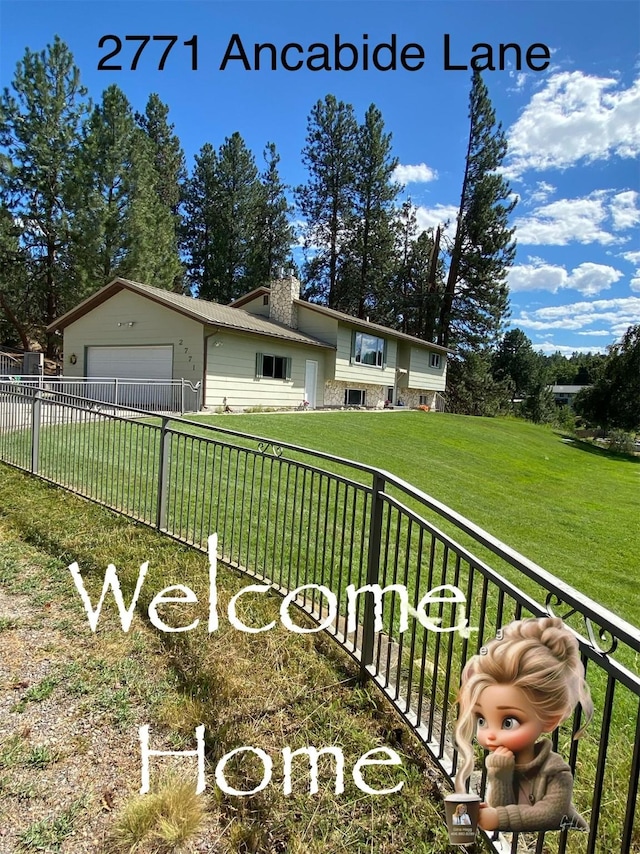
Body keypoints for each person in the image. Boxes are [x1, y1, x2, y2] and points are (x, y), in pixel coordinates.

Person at [454, 617, 593, 833]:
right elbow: (505, 808)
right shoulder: (503, 761)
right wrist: (500, 775)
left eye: (508, 722)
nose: (490, 734)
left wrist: (498, 818)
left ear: (550, 720)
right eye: (482, 719)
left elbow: (551, 814)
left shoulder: (555, 772)